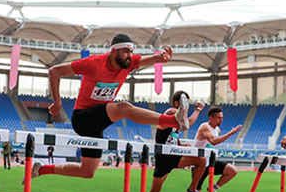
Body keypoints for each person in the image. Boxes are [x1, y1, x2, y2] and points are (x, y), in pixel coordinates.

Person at [31, 34, 190, 182]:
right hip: (82, 118)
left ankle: (41, 169)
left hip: (98, 122)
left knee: (87, 172)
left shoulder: (128, 63)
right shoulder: (94, 63)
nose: (130, 56)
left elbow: (146, 60)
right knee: (124, 108)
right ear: (114, 51)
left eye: (131, 52)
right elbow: (54, 71)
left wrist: (161, 58)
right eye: (126, 51)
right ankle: (173, 121)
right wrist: (57, 102)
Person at [139, 91, 206, 192]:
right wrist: (198, 110)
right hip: (163, 158)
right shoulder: (171, 112)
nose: (186, 106)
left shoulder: (178, 118)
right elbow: (187, 124)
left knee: (201, 160)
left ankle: (192, 189)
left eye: (188, 104)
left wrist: (180, 143)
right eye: (185, 104)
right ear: (177, 103)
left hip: (174, 155)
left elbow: (174, 134)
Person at [186, 106, 242, 192]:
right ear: (210, 118)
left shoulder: (217, 128)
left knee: (232, 171)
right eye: (218, 118)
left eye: (222, 117)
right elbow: (213, 141)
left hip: (210, 163)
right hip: (199, 165)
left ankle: (213, 188)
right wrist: (230, 134)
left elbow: (214, 140)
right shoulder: (205, 127)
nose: (221, 120)